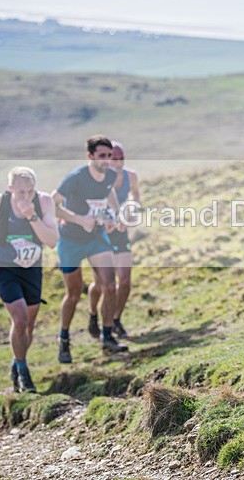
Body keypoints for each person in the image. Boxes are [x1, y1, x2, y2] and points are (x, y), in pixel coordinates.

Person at [0, 167, 59, 393]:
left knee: (28, 326)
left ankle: (16, 362)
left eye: (30, 191)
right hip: (5, 269)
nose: (26, 197)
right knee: (19, 320)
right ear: (10, 190)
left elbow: (51, 241)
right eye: (20, 192)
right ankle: (23, 372)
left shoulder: (44, 202)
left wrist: (32, 216)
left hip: (32, 270)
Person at [52, 135, 128, 363]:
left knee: (110, 285)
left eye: (109, 156)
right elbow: (52, 204)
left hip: (96, 238)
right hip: (70, 241)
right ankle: (64, 339)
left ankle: (107, 337)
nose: (107, 161)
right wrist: (79, 219)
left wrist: (114, 215)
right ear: (91, 156)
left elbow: (109, 193)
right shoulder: (75, 178)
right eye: (102, 156)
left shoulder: (110, 175)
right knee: (74, 294)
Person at [87, 141, 140, 339]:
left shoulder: (131, 176)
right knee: (101, 285)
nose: (117, 163)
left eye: (120, 159)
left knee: (124, 281)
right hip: (100, 235)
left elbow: (135, 196)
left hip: (120, 231)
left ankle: (115, 320)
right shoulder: (97, 179)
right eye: (113, 159)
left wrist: (131, 211)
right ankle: (93, 314)